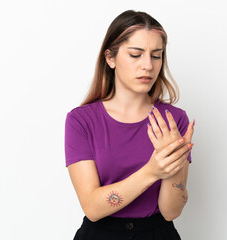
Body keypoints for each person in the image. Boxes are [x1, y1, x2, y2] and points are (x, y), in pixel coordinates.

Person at [64, 9, 195, 240]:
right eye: (136, 54)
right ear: (110, 58)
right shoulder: (81, 121)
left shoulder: (175, 120)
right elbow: (93, 208)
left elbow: (171, 211)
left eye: (156, 55)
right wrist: (153, 171)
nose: (148, 65)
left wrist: (171, 167)